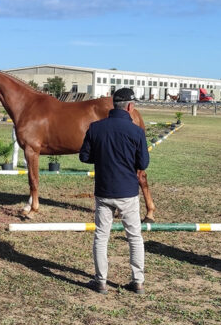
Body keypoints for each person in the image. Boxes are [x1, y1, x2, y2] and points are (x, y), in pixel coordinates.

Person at [79, 87, 149, 295]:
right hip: (128, 192)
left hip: (104, 191)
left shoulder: (95, 128)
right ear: (130, 106)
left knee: (101, 236)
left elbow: (84, 157)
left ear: (113, 105)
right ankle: (138, 281)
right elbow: (143, 162)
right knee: (134, 236)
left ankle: (100, 280)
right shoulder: (136, 131)